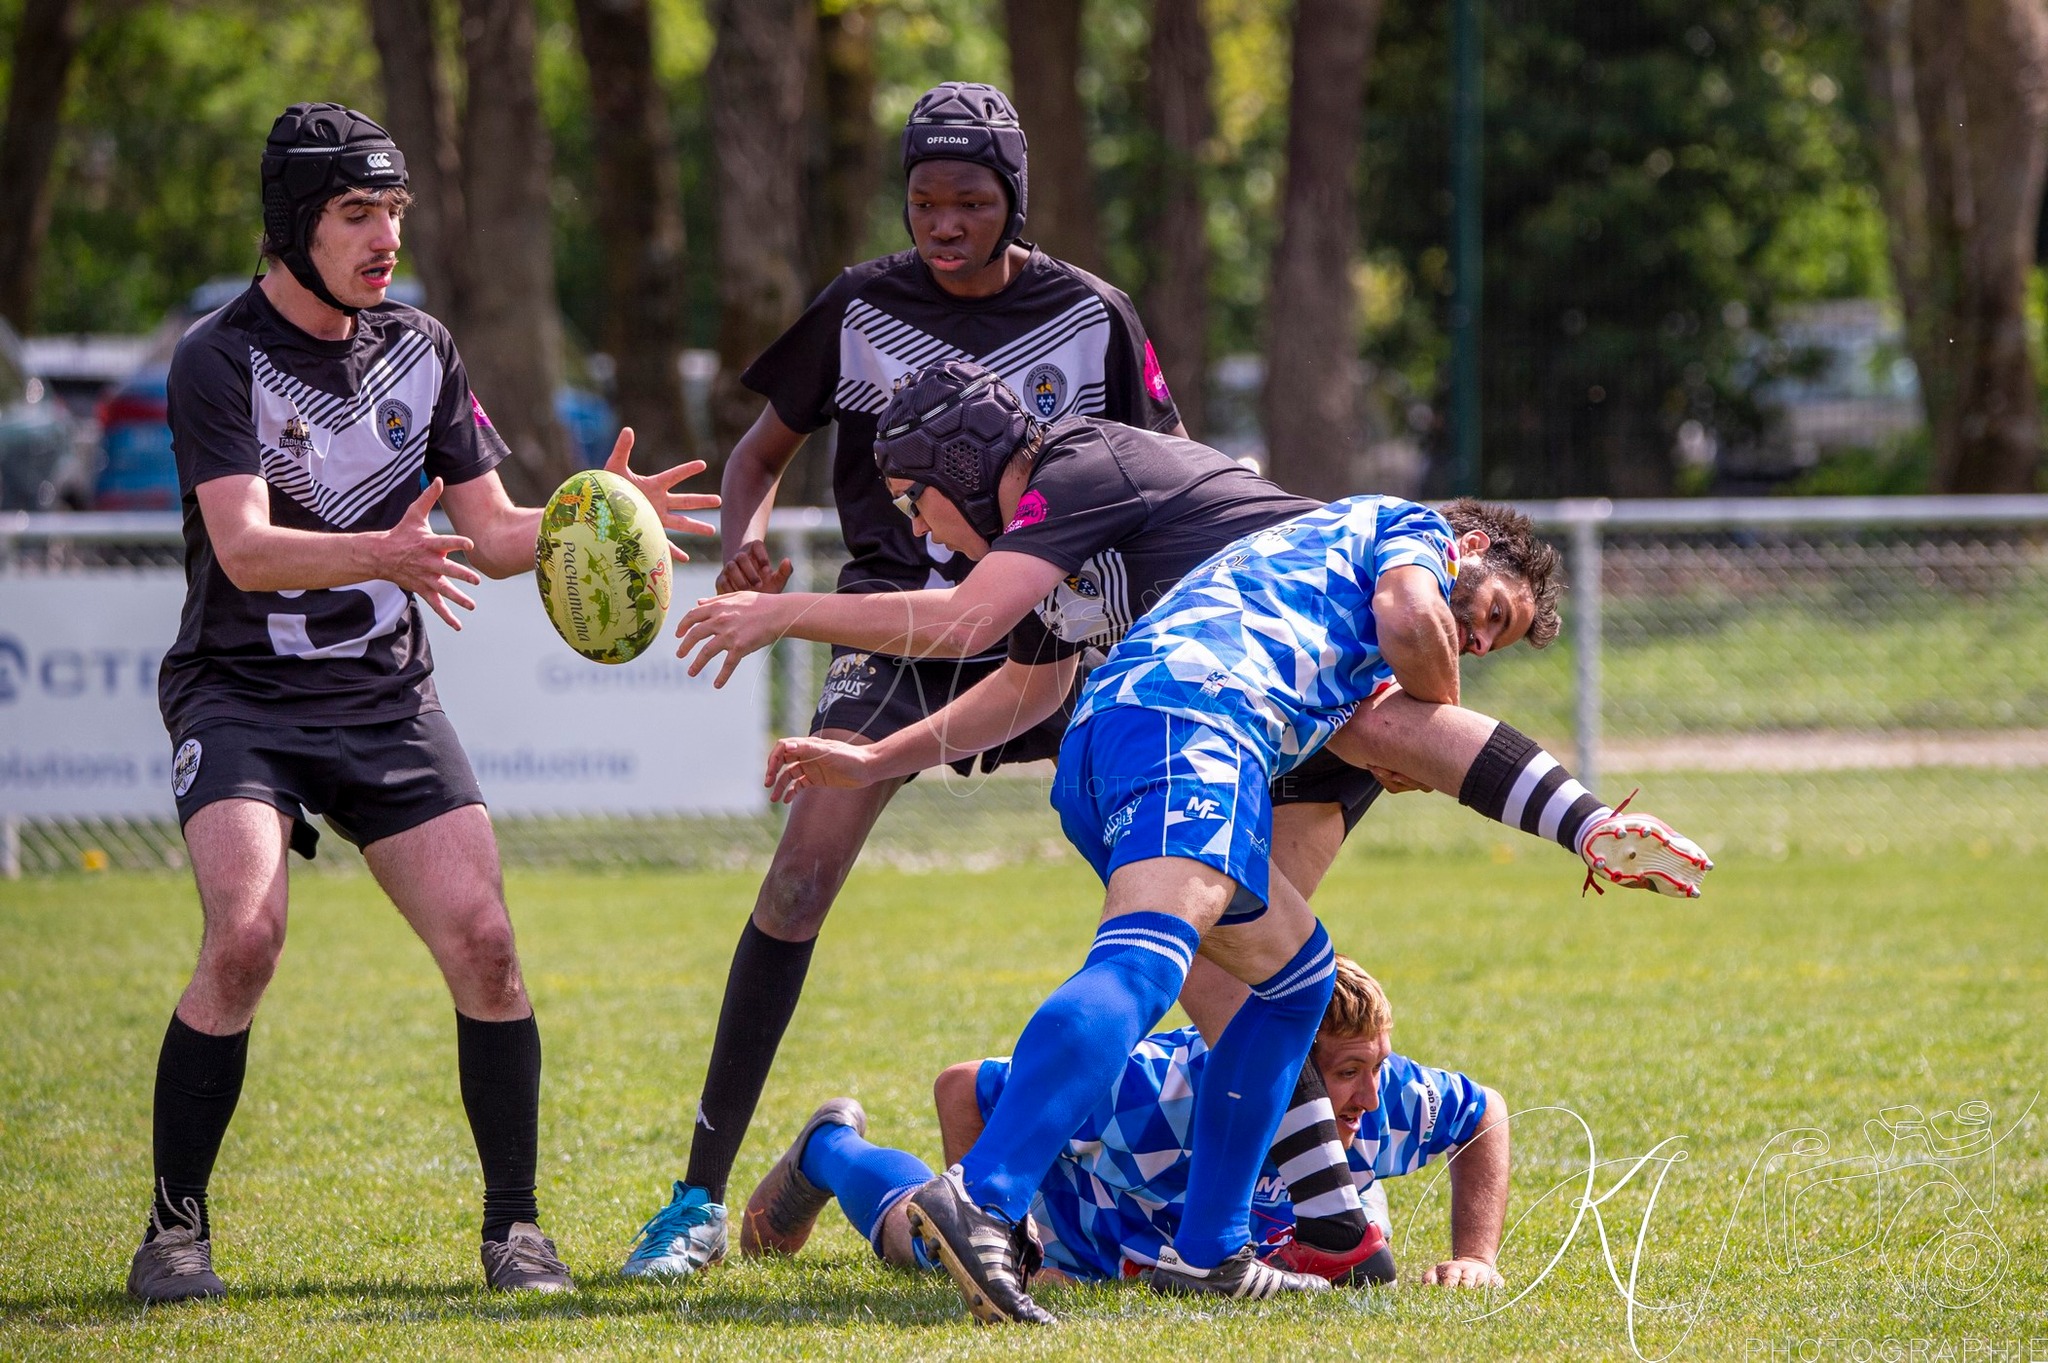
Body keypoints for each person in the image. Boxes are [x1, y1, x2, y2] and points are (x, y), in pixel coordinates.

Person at [127, 102, 717, 1304]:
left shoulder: (423, 346)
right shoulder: (217, 358)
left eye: (392, 209)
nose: (384, 234)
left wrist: (589, 509)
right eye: (355, 213)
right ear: (294, 225)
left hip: (384, 702)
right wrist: (381, 556)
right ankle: (173, 1230)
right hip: (241, 697)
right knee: (245, 939)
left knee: (488, 947)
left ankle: (516, 1233)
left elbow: (494, 530)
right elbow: (241, 549)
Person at [877, 483, 1708, 1323]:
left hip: (1139, 731)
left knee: (1295, 982)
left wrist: (1584, 823)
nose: (1481, 638)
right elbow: (1416, 622)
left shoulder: (1320, 601)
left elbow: (1421, 729)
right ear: (1475, 542)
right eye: (1494, 611)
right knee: (1143, 964)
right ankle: (983, 1192)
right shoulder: (1412, 532)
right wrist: (1445, 723)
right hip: (1189, 727)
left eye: (1496, 640)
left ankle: (1210, 1251)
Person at [622, 81, 1186, 1280]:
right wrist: (743, 535)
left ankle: (1225, 1186)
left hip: (1062, 628)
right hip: (896, 630)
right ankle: (693, 1201)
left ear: (1010, 200)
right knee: (799, 875)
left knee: (1172, 881)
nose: (943, 220)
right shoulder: (861, 306)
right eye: (924, 199)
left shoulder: (1089, 315)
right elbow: (754, 453)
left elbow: (1154, 468)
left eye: (969, 200)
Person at [737, 955, 1509, 1292]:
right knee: (926, 1241)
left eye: (1377, 1064)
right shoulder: (1152, 1090)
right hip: (1071, 1230)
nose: (1370, 1097)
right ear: (1287, 1066)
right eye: (1345, 1072)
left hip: (1160, 1253)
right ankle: (830, 1147)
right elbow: (963, 1088)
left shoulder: (1385, 1095)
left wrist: (1475, 1256)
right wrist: (1004, 1244)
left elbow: (1486, 1116)